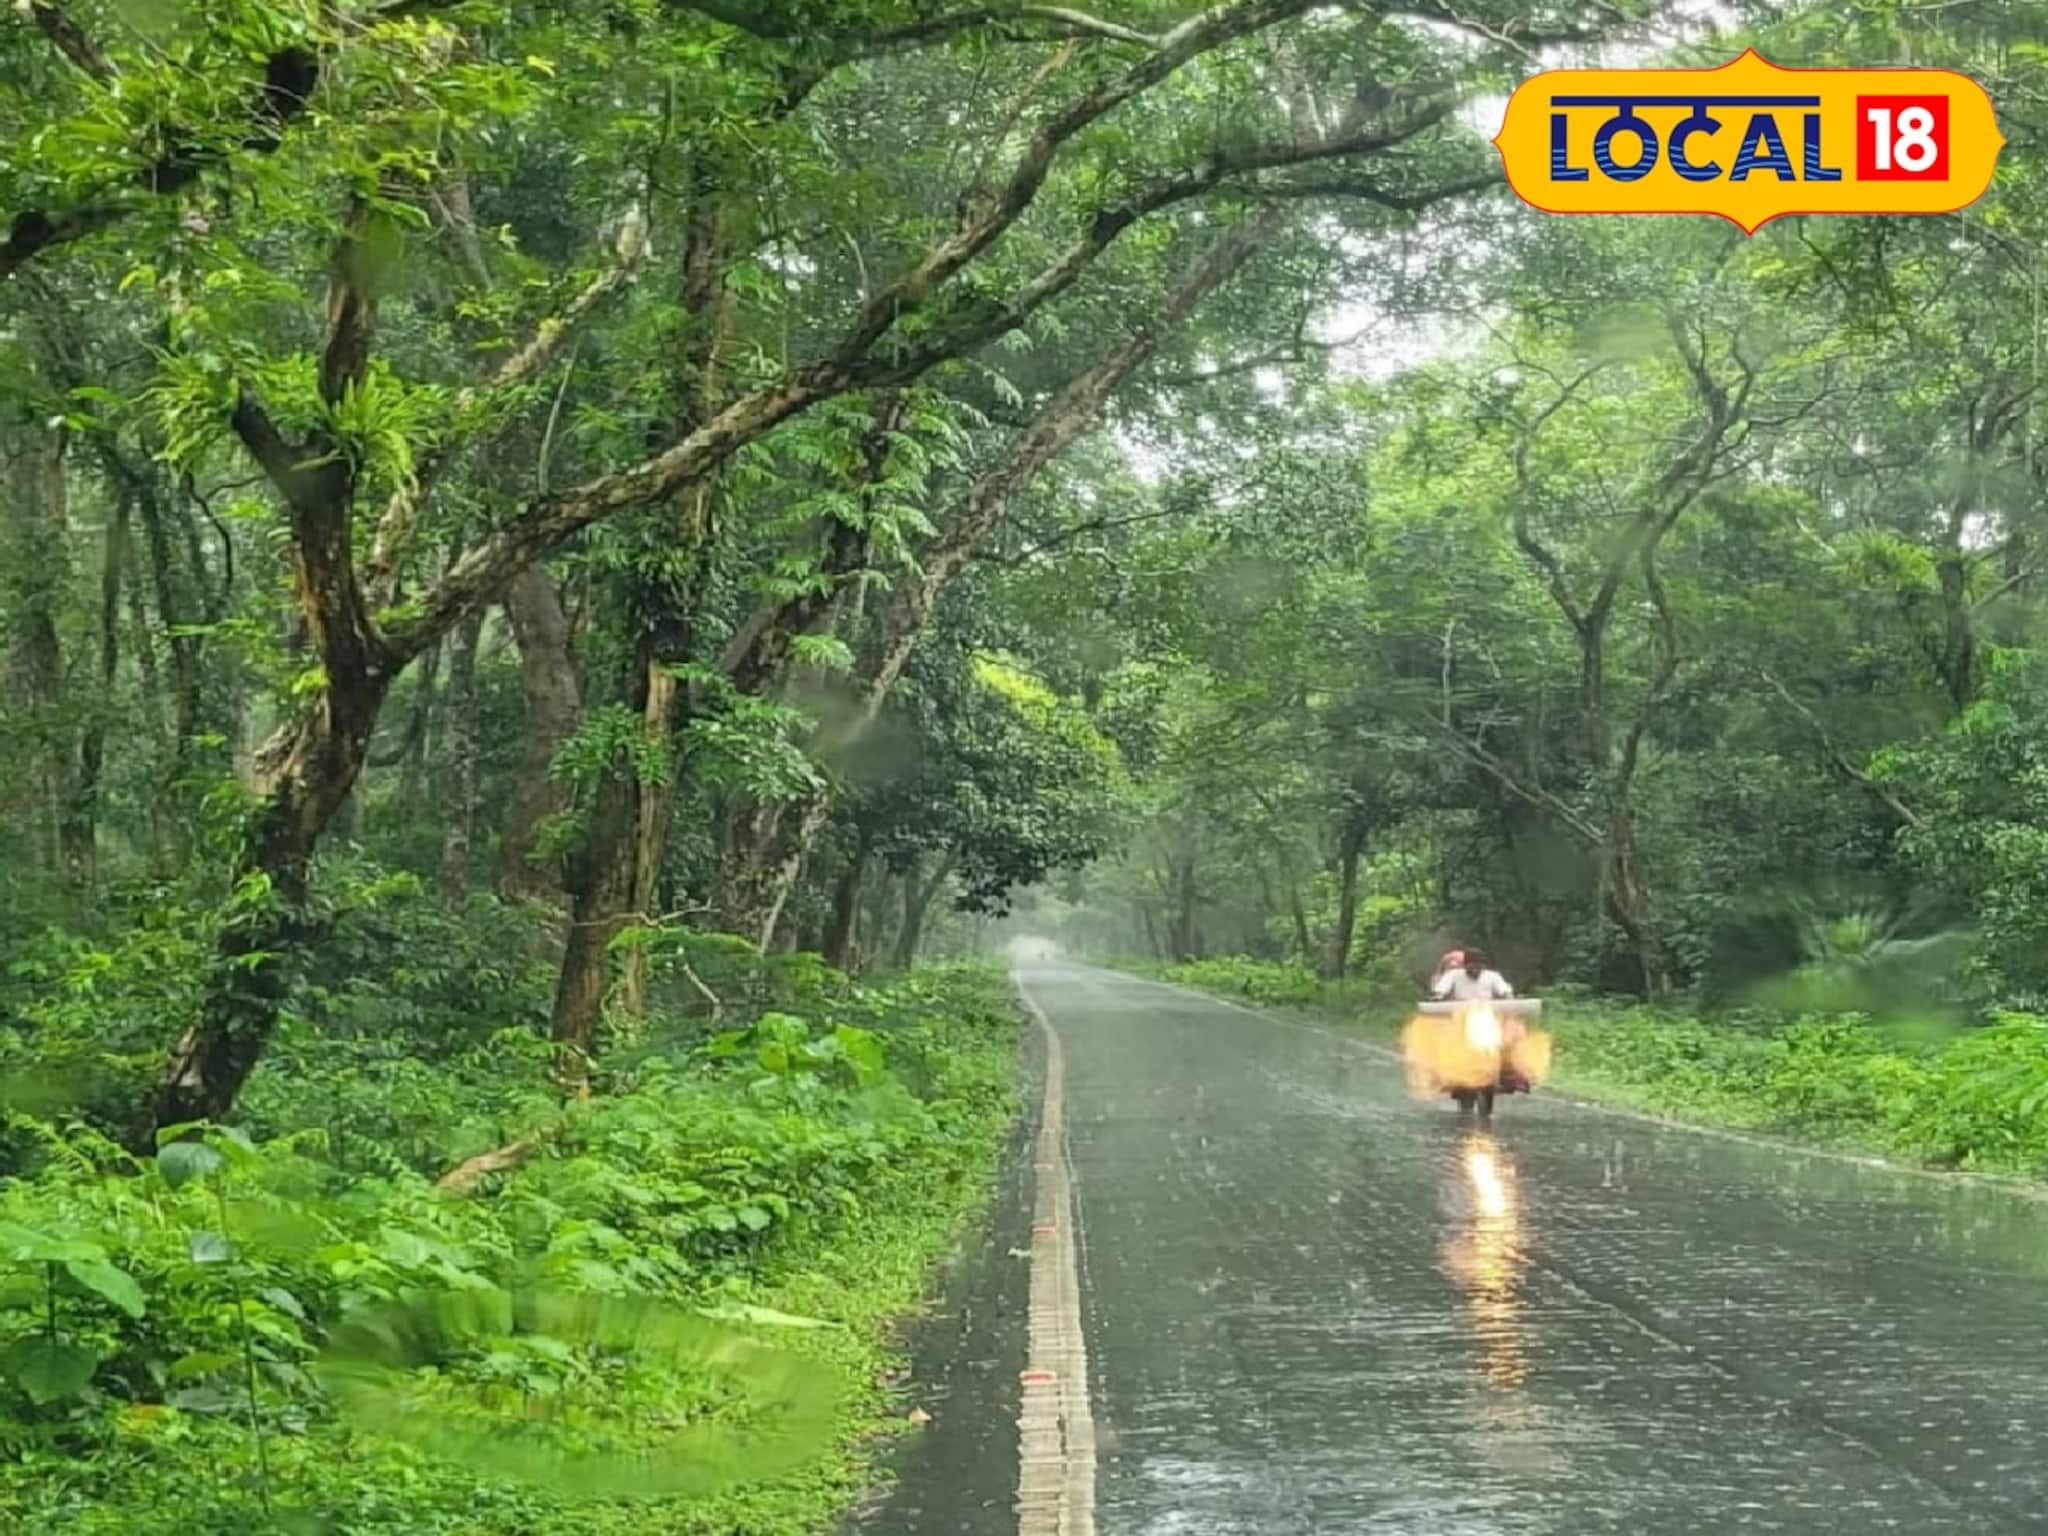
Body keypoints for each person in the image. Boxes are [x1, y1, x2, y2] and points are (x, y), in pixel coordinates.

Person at [1432, 949, 1514, 1002]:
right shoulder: (1454, 975)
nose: (1475, 970)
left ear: (1483, 966)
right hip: (1459, 1012)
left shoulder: (1493, 976)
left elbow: (1504, 992)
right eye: (1471, 967)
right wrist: (1439, 996)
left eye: (1478, 967)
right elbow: (1441, 991)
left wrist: (1507, 996)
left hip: (1487, 1013)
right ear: (1464, 965)